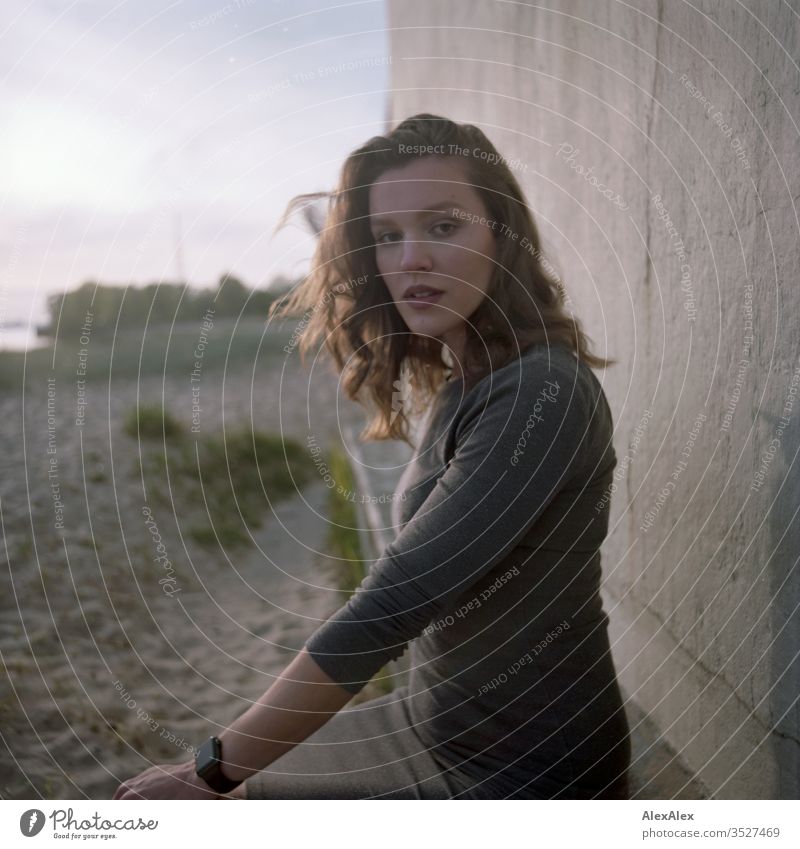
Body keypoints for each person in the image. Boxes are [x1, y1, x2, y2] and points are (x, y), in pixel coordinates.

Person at [113, 113, 631, 801]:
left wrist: (211, 768)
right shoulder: (465, 383)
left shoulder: (542, 392)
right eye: (387, 237)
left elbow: (396, 602)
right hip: (431, 728)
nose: (409, 257)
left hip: (524, 776)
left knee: (202, 803)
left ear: (505, 238)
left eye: (443, 226)